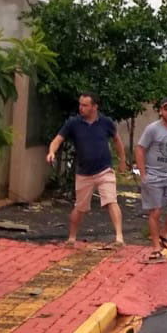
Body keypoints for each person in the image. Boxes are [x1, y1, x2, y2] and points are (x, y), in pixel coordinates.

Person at [46, 92, 127, 245]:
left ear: (94, 107)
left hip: (104, 169)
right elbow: (57, 140)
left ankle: (119, 237)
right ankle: (71, 237)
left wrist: (122, 160)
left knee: (111, 200)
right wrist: (51, 152)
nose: (81, 108)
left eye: (85, 105)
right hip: (84, 173)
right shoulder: (73, 123)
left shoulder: (106, 122)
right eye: (80, 104)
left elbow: (117, 140)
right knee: (80, 207)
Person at [135, 97, 167, 250]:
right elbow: (140, 149)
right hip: (154, 175)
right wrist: (143, 174)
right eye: (166, 109)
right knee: (155, 211)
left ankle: (164, 232)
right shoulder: (152, 129)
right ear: (160, 111)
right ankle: (156, 246)